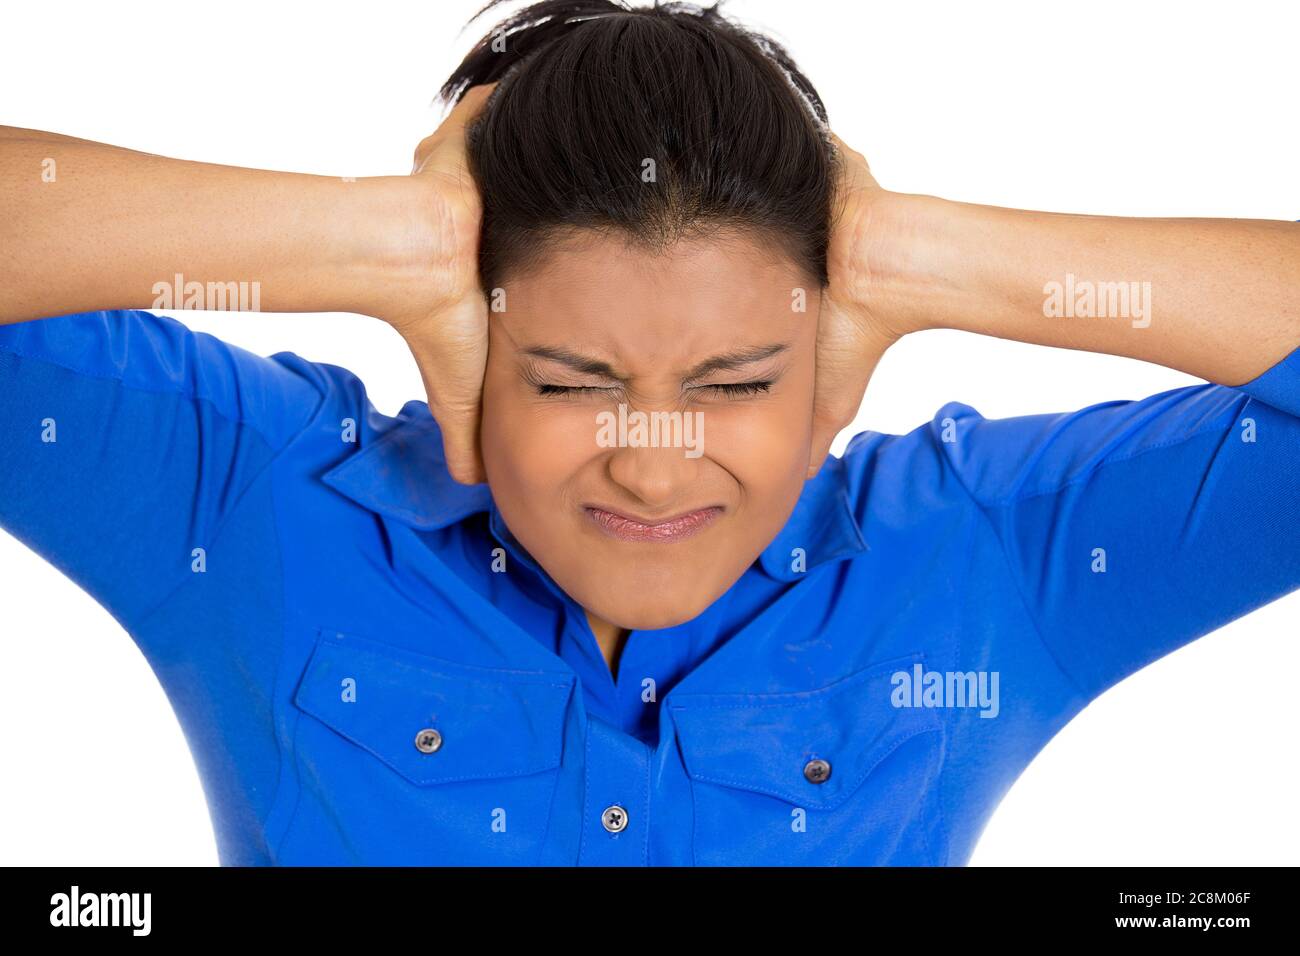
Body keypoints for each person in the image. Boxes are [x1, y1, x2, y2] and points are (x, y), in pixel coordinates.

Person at [1, 0, 1297, 866]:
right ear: (469, 342)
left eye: (735, 381)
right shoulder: (256, 499)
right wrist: (381, 235)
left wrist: (922, 251)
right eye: (572, 380)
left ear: (832, 355)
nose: (654, 460)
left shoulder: (981, 561)